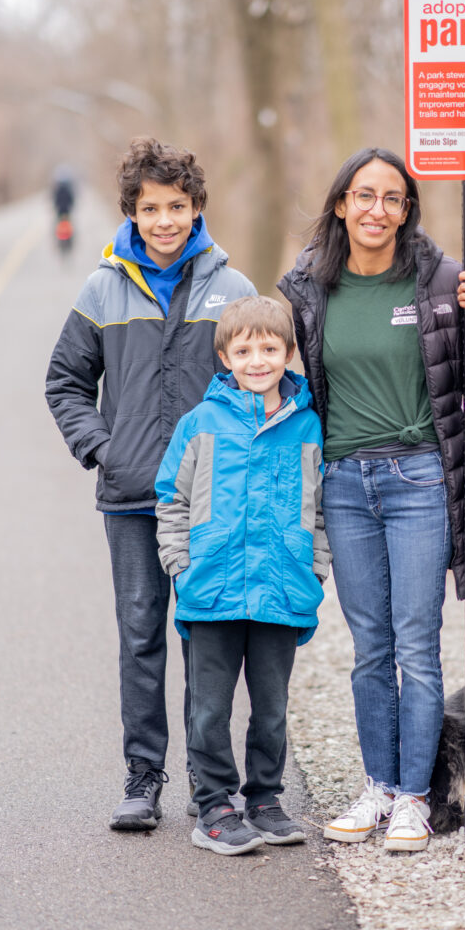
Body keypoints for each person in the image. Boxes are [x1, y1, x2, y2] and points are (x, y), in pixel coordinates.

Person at [279, 147, 465, 852]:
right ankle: (379, 787)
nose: (376, 209)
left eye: (392, 198)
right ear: (340, 204)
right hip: (345, 484)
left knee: (417, 647)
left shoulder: (440, 281)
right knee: (368, 649)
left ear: (407, 210)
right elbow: (273, 363)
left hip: (419, 481)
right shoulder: (307, 286)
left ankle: (416, 799)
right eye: (363, 195)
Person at [45, 137, 256, 830]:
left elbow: (263, 384)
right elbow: (65, 382)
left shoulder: (234, 290)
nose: (164, 221)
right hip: (132, 498)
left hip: (211, 503)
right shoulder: (102, 288)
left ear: (197, 207)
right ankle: (142, 778)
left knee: (205, 636)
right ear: (131, 213)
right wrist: (103, 449)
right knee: (140, 635)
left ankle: (208, 779)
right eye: (149, 208)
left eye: (176, 206)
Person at [154, 296, 330, 855]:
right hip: (212, 587)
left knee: (272, 707)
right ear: (225, 356)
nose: (258, 360)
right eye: (244, 349)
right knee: (209, 707)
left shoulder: (307, 425)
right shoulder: (200, 423)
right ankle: (214, 806)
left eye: (270, 348)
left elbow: (321, 507)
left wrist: (315, 567)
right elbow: (172, 499)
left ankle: (264, 799)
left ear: (288, 353)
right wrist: (181, 564)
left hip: (282, 586)